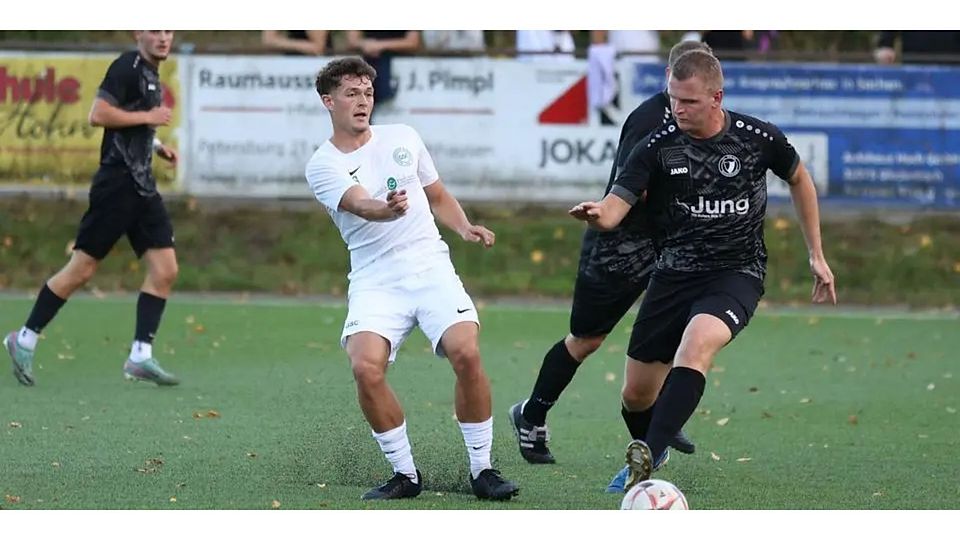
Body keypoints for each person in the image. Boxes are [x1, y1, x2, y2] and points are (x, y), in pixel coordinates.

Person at [569, 49, 837, 493]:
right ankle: (657, 439)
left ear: (717, 97)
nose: (678, 109)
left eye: (689, 101)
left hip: (736, 272)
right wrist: (597, 214)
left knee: (695, 347)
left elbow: (799, 179)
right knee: (636, 395)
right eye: (673, 98)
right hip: (674, 272)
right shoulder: (657, 145)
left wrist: (817, 253)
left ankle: (646, 461)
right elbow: (616, 208)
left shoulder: (756, 137)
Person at [304, 56, 519, 501]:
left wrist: (464, 227)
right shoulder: (322, 164)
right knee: (365, 367)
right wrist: (388, 209)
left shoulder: (403, 136)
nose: (362, 101)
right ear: (329, 102)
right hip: (375, 277)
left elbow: (437, 194)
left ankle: (482, 470)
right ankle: (405, 474)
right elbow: (362, 205)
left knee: (466, 352)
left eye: (367, 92)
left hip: (430, 265)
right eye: (351, 94)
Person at [508, 41, 712, 472]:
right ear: (671, 79)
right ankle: (531, 414)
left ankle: (659, 415)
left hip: (670, 246)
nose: (686, 102)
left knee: (686, 331)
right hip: (621, 244)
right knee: (587, 339)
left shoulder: (705, 119)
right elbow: (631, 186)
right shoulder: (649, 120)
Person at [4, 31, 181, 387]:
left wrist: (155, 144)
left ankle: (140, 356)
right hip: (116, 187)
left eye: (168, 30)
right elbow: (98, 114)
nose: (164, 38)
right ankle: (24, 337)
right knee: (82, 269)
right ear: (137, 33)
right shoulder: (126, 67)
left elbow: (130, 121)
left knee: (165, 269)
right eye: (155, 30)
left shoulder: (150, 73)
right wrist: (148, 118)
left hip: (143, 188)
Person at [345, 31, 420, 107]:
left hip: (399, 70)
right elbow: (352, 40)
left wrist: (379, 46)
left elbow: (413, 43)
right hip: (369, 66)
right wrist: (365, 44)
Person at [261, 30, 331, 56]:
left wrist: (280, 41)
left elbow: (318, 47)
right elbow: (268, 40)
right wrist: (301, 46)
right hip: (292, 63)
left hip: (317, 65)